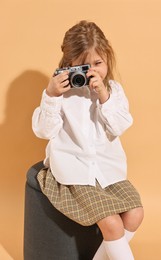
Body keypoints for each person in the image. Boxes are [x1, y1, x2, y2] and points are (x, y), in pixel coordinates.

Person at [32, 20, 144, 260]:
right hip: (74, 173)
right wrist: (51, 96)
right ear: (68, 65)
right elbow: (44, 131)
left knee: (135, 214)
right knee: (112, 224)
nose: (92, 71)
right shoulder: (60, 93)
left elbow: (121, 125)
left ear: (107, 59)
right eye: (83, 66)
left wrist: (103, 95)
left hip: (107, 171)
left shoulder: (113, 91)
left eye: (98, 63)